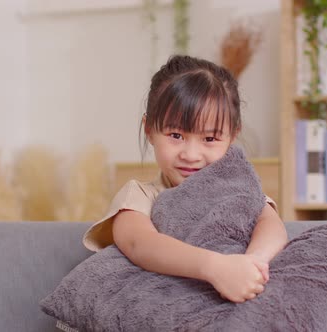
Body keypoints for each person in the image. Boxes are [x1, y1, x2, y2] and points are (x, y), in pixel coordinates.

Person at [83, 55, 288, 303]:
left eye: (210, 139)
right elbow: (141, 244)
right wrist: (216, 267)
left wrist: (251, 263)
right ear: (149, 130)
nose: (191, 155)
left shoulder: (236, 190)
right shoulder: (140, 195)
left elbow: (272, 225)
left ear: (233, 136)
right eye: (176, 135)